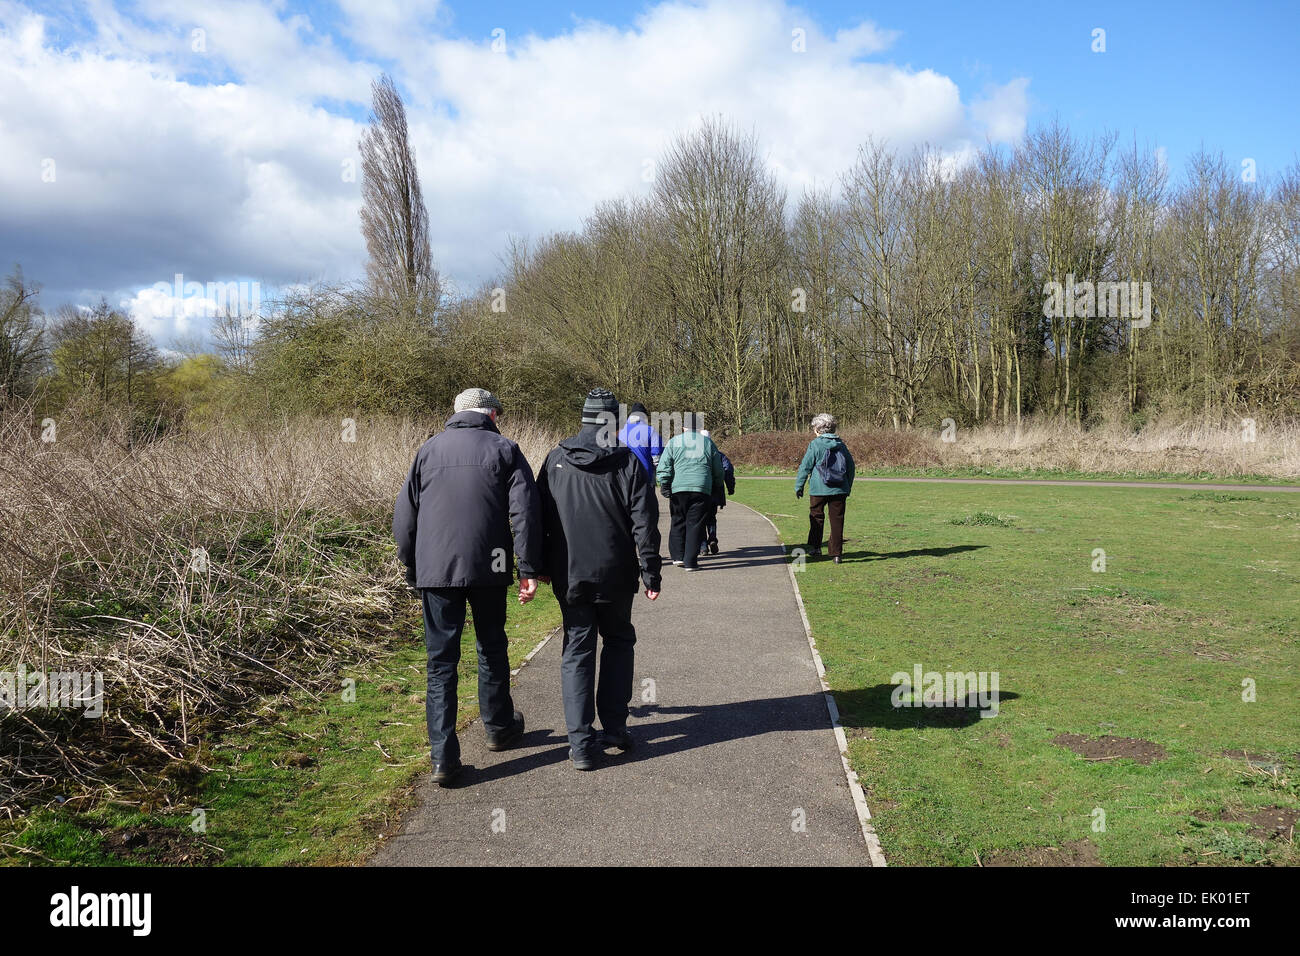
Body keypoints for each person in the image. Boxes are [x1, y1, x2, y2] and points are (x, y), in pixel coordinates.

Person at [393, 387, 542, 787]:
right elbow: (525, 513)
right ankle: (498, 727)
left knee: (440, 663)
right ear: (491, 415)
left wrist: (411, 563)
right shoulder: (505, 449)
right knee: (491, 645)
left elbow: (405, 516)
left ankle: (444, 759)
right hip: (489, 566)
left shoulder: (428, 450)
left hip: (436, 570)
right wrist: (527, 567)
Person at [536, 388, 662, 770]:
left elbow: (538, 517)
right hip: (616, 574)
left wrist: (537, 565)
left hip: (570, 574)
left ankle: (580, 744)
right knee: (619, 641)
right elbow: (645, 523)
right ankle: (614, 728)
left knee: (577, 650)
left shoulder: (556, 459)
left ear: (584, 417)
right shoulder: (627, 464)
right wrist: (650, 571)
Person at [656, 413, 724, 571]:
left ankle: (677, 556)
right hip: (701, 488)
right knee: (695, 525)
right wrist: (718, 485)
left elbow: (664, 464)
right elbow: (718, 469)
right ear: (699, 428)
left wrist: (664, 483)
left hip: (678, 487)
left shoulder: (674, 442)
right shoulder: (708, 443)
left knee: (677, 520)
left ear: (684, 427)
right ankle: (690, 562)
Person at [794, 412, 856, 564]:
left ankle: (815, 547)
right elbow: (851, 467)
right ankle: (836, 554)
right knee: (837, 521)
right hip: (839, 489)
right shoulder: (841, 445)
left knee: (816, 517)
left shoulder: (815, 444)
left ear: (817, 429)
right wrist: (847, 486)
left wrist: (799, 486)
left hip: (818, 488)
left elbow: (805, 467)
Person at [698, 429, 735, 556]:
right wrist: (730, 488)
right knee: (711, 517)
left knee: (700, 518)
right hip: (714, 491)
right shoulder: (719, 455)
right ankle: (712, 539)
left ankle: (703, 546)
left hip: (700, 491)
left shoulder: (694, 455)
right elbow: (728, 471)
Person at [617, 402, 665, 482]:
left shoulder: (619, 431)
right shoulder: (651, 431)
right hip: (644, 475)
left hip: (622, 476)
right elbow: (657, 457)